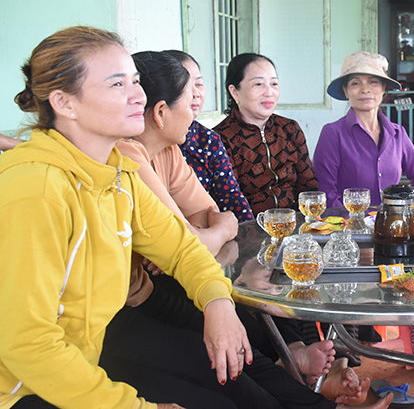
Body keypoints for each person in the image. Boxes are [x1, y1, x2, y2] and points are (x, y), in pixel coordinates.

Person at [108, 51, 376, 409]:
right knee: (229, 359)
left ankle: (316, 381)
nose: (197, 107)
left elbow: (223, 215)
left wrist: (209, 230)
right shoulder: (129, 156)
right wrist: (205, 231)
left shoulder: (172, 149)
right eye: (191, 99)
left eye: (274, 82)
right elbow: (184, 242)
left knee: (249, 332)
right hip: (132, 302)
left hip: (193, 267)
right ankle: (305, 370)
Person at [0, 26, 250, 409]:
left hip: (81, 362)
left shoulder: (117, 174)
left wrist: (219, 303)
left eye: (135, 81)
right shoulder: (36, 189)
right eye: (118, 85)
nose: (139, 96)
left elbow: (183, 250)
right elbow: (27, 341)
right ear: (65, 103)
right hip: (20, 390)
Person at [314, 51, 414, 208]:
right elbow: (326, 192)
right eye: (355, 83)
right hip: (350, 228)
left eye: (373, 82)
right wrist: (351, 220)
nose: (365, 89)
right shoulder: (333, 134)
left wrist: (409, 208)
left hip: (393, 226)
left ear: (383, 89)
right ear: (346, 91)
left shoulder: (397, 133)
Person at [215, 54, 318, 215]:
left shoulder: (290, 129)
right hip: (249, 229)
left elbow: (309, 187)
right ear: (235, 92)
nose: (269, 92)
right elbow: (231, 200)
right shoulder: (221, 138)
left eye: (274, 84)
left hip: (296, 226)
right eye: (258, 84)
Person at [162, 50, 254, 222]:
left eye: (199, 84)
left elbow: (231, 199)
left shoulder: (207, 140)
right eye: (184, 85)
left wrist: (250, 237)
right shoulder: (147, 147)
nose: (195, 93)